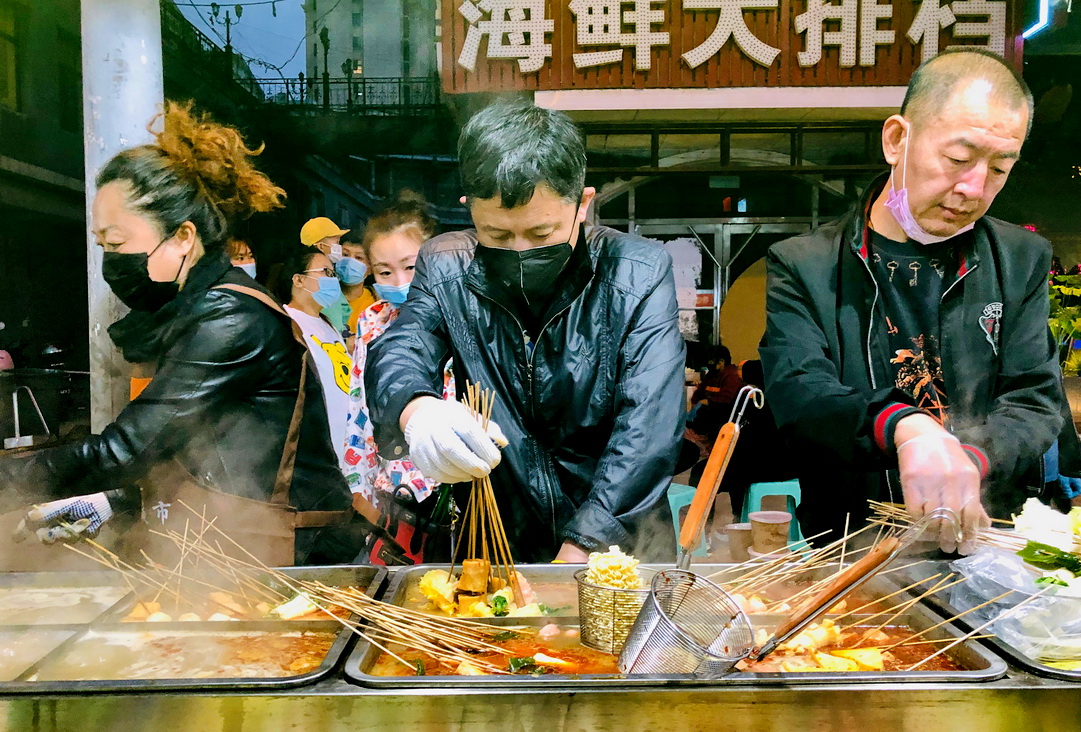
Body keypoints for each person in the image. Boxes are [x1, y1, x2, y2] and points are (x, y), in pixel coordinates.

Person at [0, 103, 362, 565]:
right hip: (240, 543)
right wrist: (119, 502)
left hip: (298, 558)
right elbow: (200, 449)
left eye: (116, 243)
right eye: (102, 245)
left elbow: (128, 448)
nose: (109, 260)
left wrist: (9, 482)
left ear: (182, 237)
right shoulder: (193, 309)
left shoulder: (227, 315)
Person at [761, 49, 1062, 554]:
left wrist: (968, 459)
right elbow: (801, 392)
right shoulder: (805, 264)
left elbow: (1034, 399)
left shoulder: (1019, 258)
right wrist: (907, 429)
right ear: (898, 139)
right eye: (959, 159)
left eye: (999, 169)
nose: (973, 188)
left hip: (985, 539)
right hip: (849, 545)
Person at [365, 101, 686, 563]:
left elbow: (648, 428)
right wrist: (417, 412)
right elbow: (404, 345)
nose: (519, 252)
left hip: (616, 543)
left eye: (540, 235)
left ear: (583, 204)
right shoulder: (445, 263)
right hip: (497, 535)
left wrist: (581, 550)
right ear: (470, 210)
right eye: (496, 235)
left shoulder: (637, 272)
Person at [341, 192, 449, 564]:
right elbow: (359, 406)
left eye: (411, 266)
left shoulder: (460, 312)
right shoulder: (371, 320)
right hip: (396, 492)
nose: (399, 280)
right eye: (385, 271)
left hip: (454, 489)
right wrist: (360, 482)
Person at [277, 247, 352, 476]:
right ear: (299, 280)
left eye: (333, 274)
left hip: (344, 446)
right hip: (316, 454)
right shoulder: (287, 322)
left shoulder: (328, 324)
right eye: (326, 272)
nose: (333, 281)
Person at [300, 216, 353, 336]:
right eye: (337, 242)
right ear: (320, 246)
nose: (340, 247)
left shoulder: (329, 276)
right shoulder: (318, 280)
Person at [339, 230, 377, 335]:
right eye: (345, 255)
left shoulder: (376, 304)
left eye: (359, 258)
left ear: (370, 268)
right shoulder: (324, 297)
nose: (350, 262)